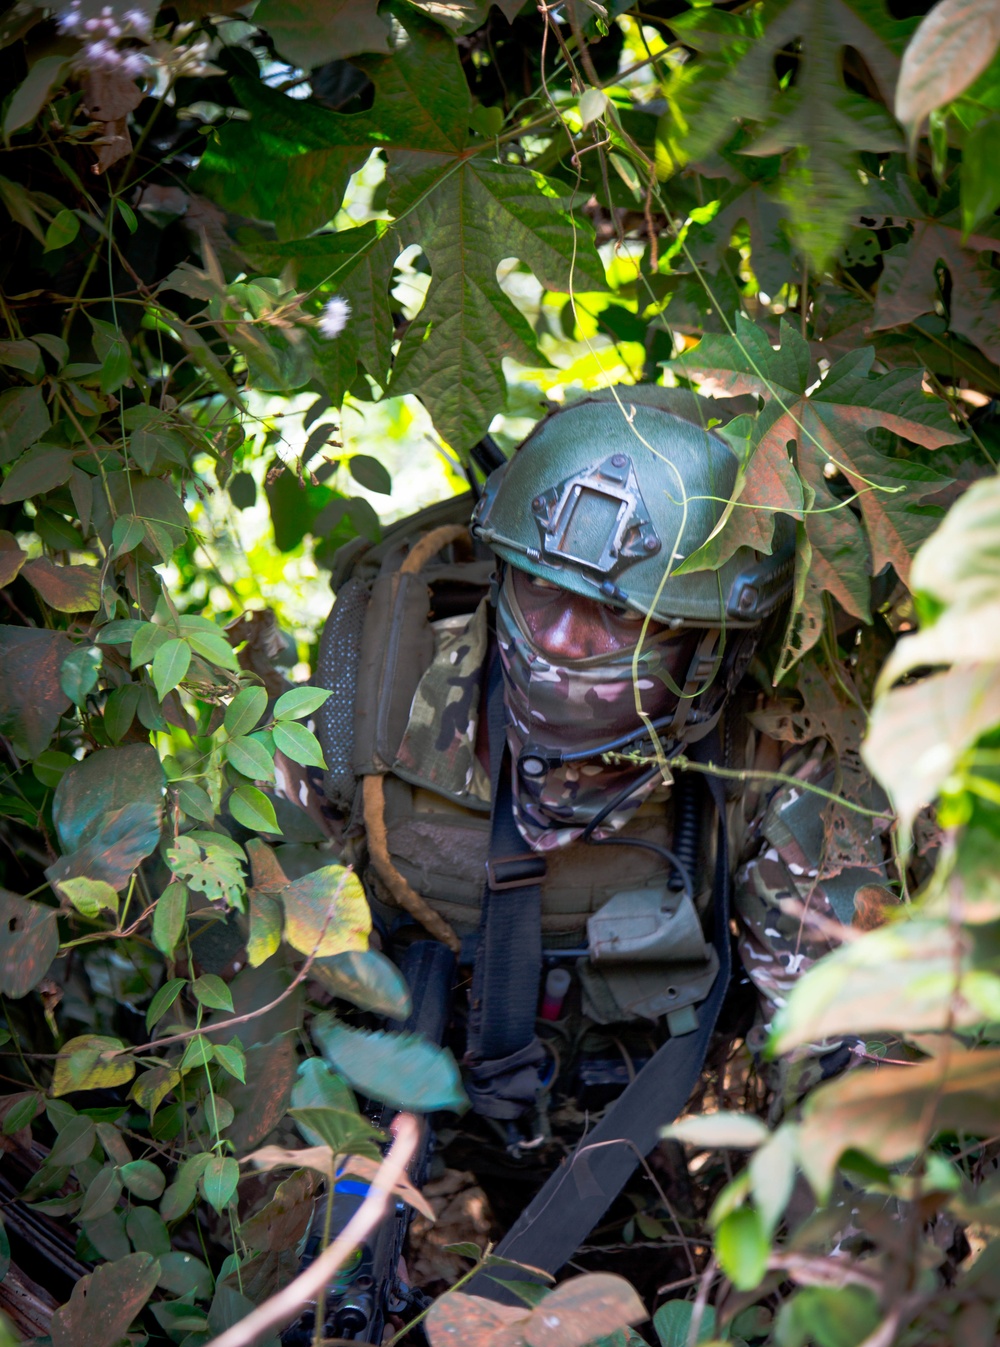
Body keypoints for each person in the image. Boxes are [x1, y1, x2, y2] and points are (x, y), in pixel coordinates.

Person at [315, 383, 886, 1281]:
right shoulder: (368, 705)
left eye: (622, 616)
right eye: (543, 590)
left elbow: (850, 1047)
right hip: (395, 1115)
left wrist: (845, 1304)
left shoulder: (777, 751)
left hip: (649, 1130)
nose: (567, 642)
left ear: (712, 644)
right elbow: (260, 998)